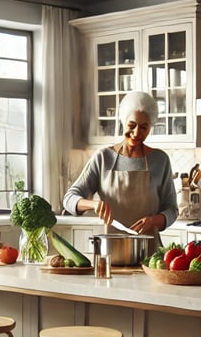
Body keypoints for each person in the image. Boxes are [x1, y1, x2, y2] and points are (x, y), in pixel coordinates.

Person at [62, 91, 178, 249]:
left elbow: (172, 210)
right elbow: (69, 199)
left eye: (144, 128)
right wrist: (93, 205)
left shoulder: (160, 160)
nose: (137, 133)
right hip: (111, 253)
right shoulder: (103, 158)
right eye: (132, 125)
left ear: (150, 128)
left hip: (149, 254)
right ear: (123, 121)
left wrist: (153, 220)